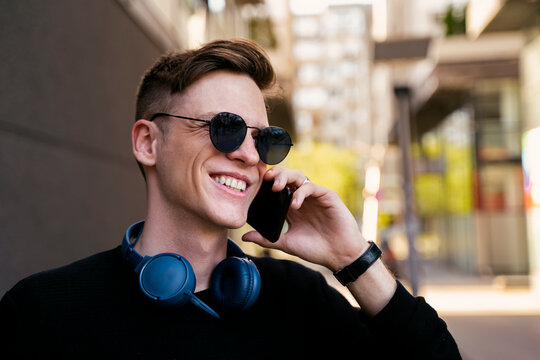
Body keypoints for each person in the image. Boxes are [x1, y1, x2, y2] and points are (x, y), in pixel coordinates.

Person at [0, 39, 461, 359]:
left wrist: (352, 259)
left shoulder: (299, 301)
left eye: (266, 140)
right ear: (148, 143)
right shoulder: (43, 312)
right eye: (225, 128)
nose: (247, 154)